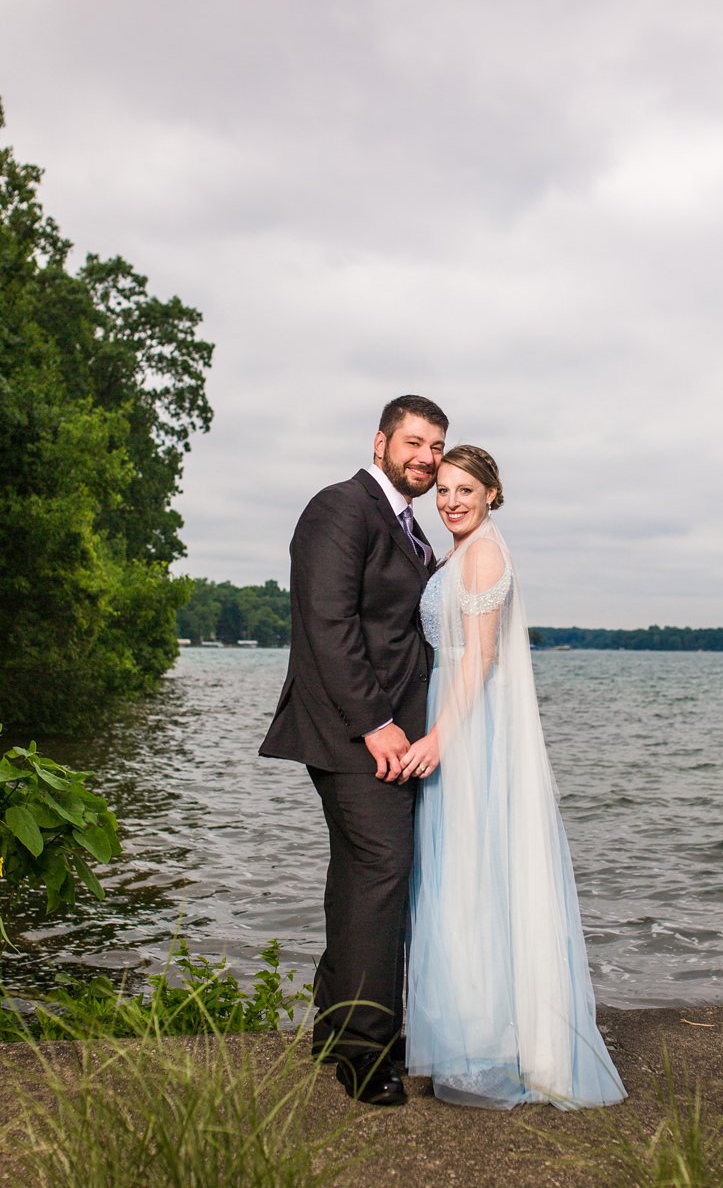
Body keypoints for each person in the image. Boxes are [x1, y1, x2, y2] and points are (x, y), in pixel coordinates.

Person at [399, 446, 626, 1109]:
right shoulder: (465, 551)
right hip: (459, 717)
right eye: (442, 490)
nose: (451, 501)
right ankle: (474, 1035)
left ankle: (488, 1044)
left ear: (493, 492)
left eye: (465, 489)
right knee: (463, 878)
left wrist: (440, 737)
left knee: (472, 877)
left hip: (470, 729)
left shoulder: (486, 552)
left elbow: (483, 656)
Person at [259, 394, 448, 1106]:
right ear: (380, 442)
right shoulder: (339, 508)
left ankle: (335, 1029)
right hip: (353, 735)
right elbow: (328, 622)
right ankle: (368, 1058)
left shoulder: (409, 527)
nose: (426, 457)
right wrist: (375, 723)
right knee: (383, 871)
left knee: (360, 875)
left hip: (389, 735)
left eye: (436, 446)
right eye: (415, 442)